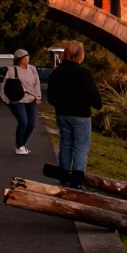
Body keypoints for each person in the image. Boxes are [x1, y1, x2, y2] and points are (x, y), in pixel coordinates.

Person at [46, 41, 102, 187]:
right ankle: (77, 182)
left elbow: (51, 99)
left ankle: (64, 177)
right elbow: (95, 99)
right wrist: (95, 104)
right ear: (80, 55)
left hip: (62, 114)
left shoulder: (56, 72)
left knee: (65, 144)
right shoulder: (83, 73)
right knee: (81, 147)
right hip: (81, 115)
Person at [0, 48, 41, 155]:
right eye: (25, 57)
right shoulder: (13, 70)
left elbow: (37, 83)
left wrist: (38, 96)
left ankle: (22, 144)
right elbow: (5, 86)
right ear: (19, 59)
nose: (28, 58)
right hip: (18, 100)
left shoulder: (32, 69)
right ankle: (19, 146)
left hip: (31, 100)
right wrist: (6, 99)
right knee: (23, 121)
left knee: (31, 124)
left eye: (28, 56)